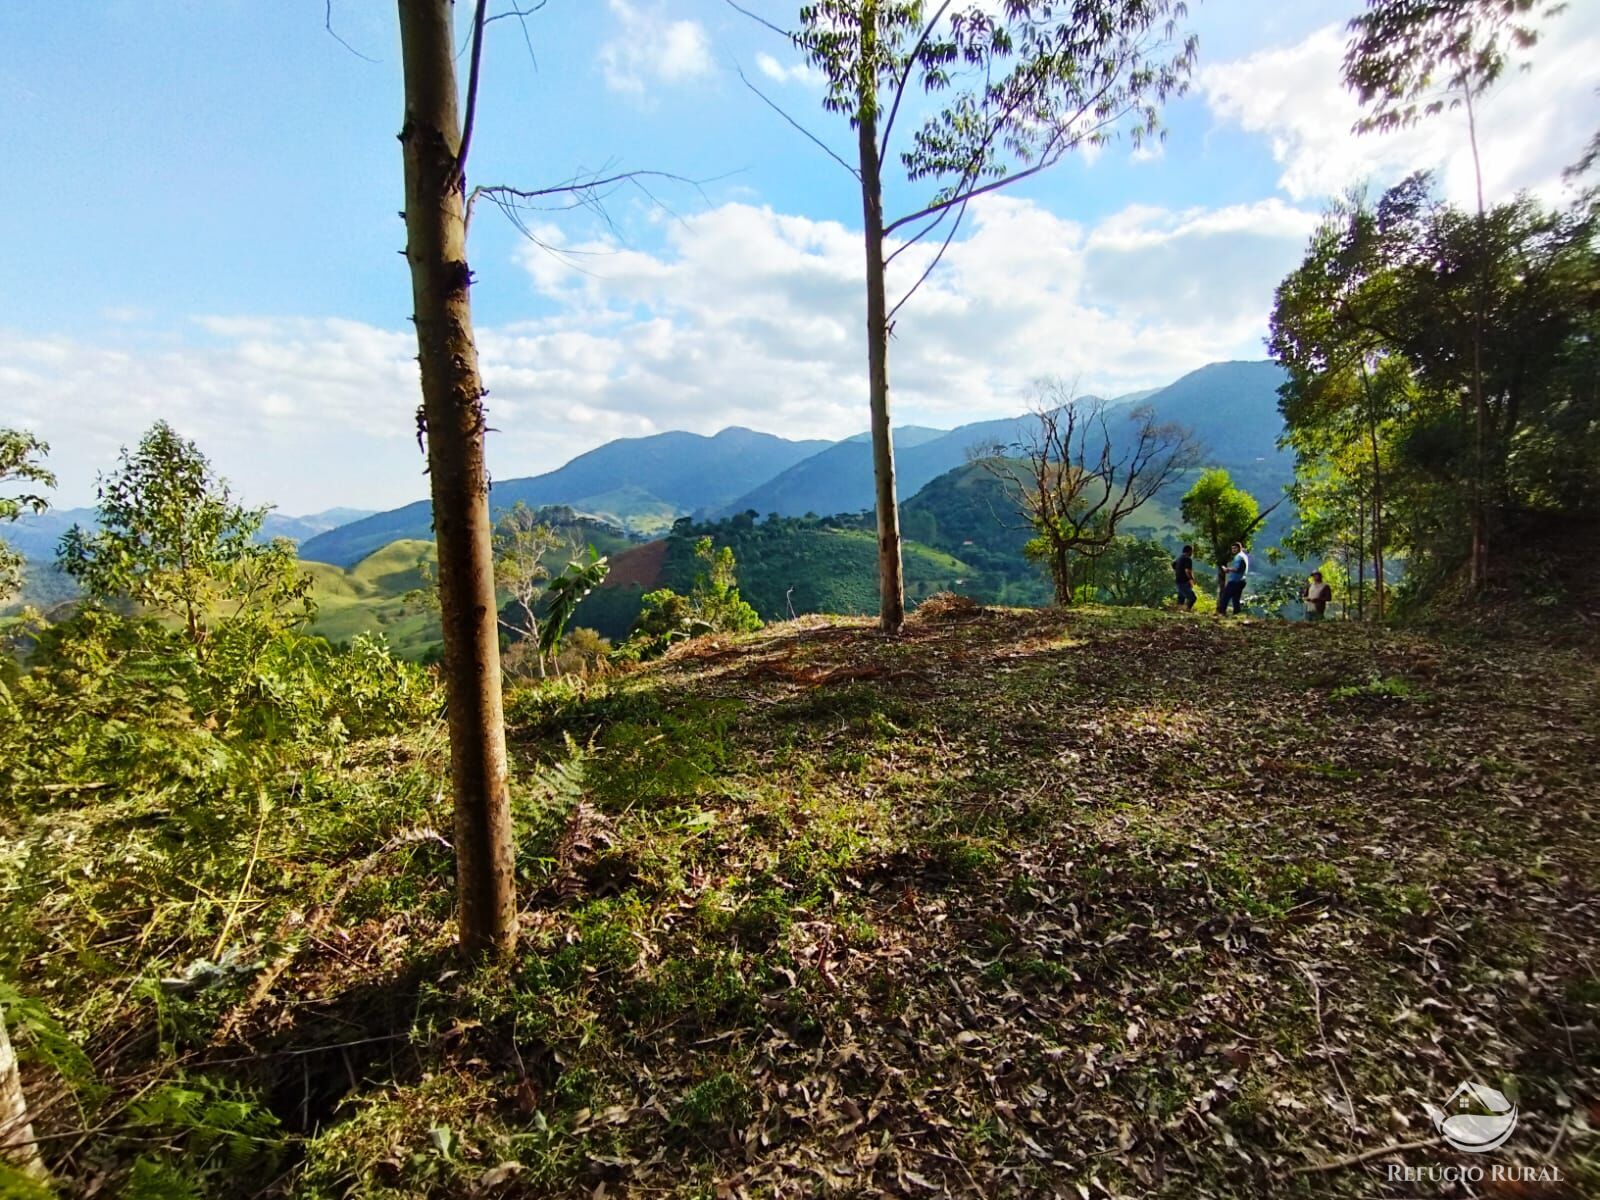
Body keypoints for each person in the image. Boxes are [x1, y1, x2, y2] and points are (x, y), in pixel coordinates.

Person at [1219, 541, 1248, 615]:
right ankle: (1236, 614)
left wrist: (1227, 569)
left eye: (1235, 548)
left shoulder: (1239, 557)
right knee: (1236, 599)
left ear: (1239, 548)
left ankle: (1222, 613)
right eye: (1232, 548)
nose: (1233, 550)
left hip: (1235, 581)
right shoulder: (1244, 556)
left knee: (1225, 597)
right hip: (1242, 580)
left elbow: (1237, 569)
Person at [1172, 543, 1198, 611]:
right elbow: (1187, 571)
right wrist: (1192, 580)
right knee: (1192, 598)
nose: (1192, 553)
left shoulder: (1178, 558)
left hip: (1178, 581)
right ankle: (1187, 610)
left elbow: (1173, 565)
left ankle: (1179, 611)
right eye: (1192, 551)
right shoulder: (1187, 559)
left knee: (1181, 599)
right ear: (1189, 551)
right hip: (1183, 582)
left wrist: (1178, 573)